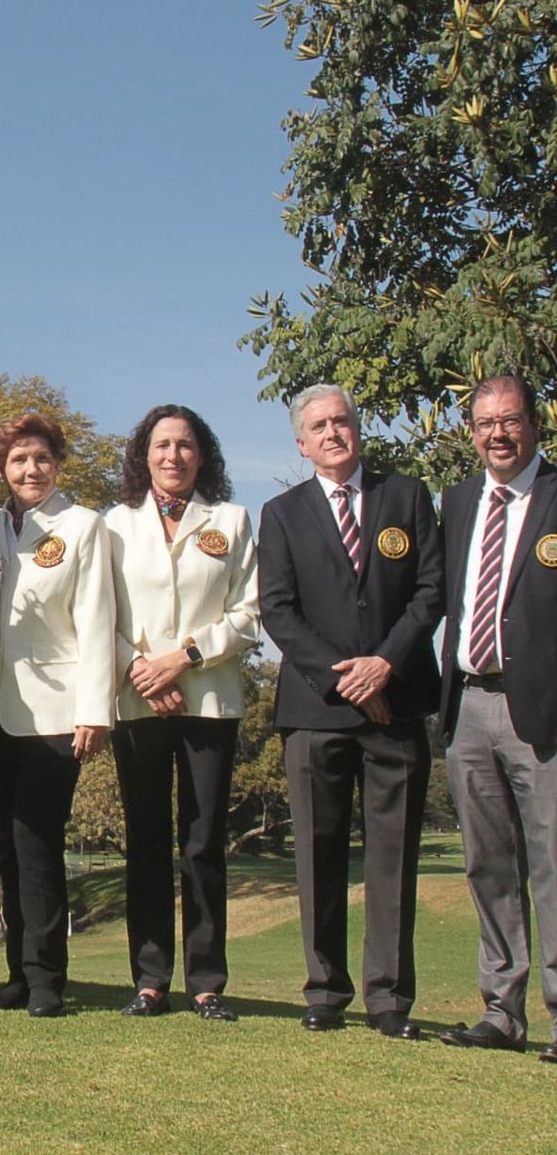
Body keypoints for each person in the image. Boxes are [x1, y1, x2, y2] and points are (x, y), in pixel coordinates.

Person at [259, 383, 442, 1040]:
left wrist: (384, 665)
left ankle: (389, 1000)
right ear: (301, 444)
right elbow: (277, 609)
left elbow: (430, 591)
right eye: (319, 425)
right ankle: (326, 992)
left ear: (358, 430)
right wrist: (345, 678)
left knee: (392, 860)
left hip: (398, 700)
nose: (334, 432)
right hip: (315, 710)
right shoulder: (282, 513)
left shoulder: (407, 496)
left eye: (342, 421)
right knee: (318, 854)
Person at [106, 405, 258, 1022]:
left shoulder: (232, 520)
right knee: (145, 843)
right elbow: (98, 615)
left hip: (209, 701)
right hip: (138, 701)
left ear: (203, 455)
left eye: (186, 445)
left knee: (202, 844)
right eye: (162, 445)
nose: (174, 456)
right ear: (144, 455)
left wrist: (184, 658)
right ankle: (149, 979)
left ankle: (206, 982)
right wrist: (142, 670)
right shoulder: (112, 525)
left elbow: (250, 614)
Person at [0, 413, 114, 1018]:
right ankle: (17, 975)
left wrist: (96, 709)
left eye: (41, 458)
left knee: (39, 844)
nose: (31, 470)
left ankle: (47, 977)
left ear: (58, 463)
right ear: (2, 469)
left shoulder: (83, 528)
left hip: (58, 715)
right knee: (8, 845)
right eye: (18, 460)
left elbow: (98, 619)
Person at [436, 374, 557, 1064]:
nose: (498, 434)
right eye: (485, 424)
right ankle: (501, 1011)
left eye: (510, 421)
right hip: (470, 706)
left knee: (554, 864)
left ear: (535, 426)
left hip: (540, 706)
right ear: (472, 433)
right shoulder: (457, 503)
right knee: (488, 864)